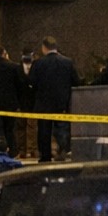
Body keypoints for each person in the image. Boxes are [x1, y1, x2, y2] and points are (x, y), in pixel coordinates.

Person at [28, 35, 80, 163]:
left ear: (44, 48)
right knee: (61, 128)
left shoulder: (38, 63)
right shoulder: (67, 62)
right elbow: (76, 81)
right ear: (56, 48)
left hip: (43, 103)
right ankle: (63, 150)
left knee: (44, 131)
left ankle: (45, 156)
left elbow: (31, 83)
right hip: (62, 102)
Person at [16, 48, 37, 159]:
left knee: (32, 126)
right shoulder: (17, 68)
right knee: (21, 127)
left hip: (33, 101)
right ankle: (22, 150)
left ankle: (32, 149)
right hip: (21, 101)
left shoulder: (37, 67)